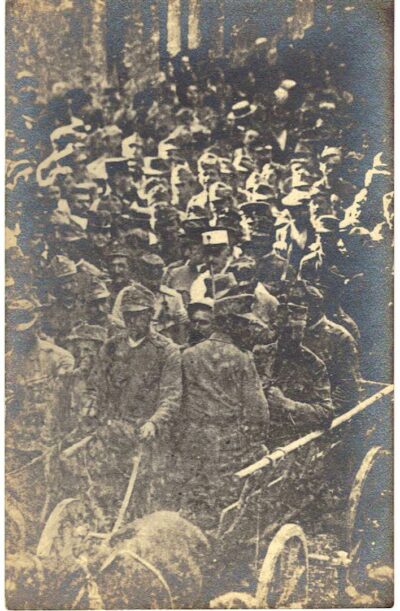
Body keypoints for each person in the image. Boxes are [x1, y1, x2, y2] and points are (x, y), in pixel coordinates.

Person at [88, 284, 182, 523]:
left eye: (139, 314)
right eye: (128, 315)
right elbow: (97, 386)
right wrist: (95, 414)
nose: (133, 320)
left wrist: (154, 422)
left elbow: (171, 396)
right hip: (115, 430)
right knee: (105, 489)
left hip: (148, 435)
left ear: (151, 315)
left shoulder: (166, 351)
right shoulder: (112, 346)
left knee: (145, 494)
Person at [180, 294, 269, 530]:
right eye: (244, 324)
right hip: (229, 444)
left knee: (196, 495)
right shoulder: (242, 359)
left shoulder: (188, 355)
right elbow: (258, 412)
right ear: (231, 324)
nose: (249, 329)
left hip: (193, 441)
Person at [253, 302, 333, 446]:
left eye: (299, 331)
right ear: (277, 331)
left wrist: (286, 404)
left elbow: (325, 414)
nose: (294, 337)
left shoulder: (313, 365)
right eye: (288, 331)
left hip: (289, 438)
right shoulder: (258, 356)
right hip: (255, 433)